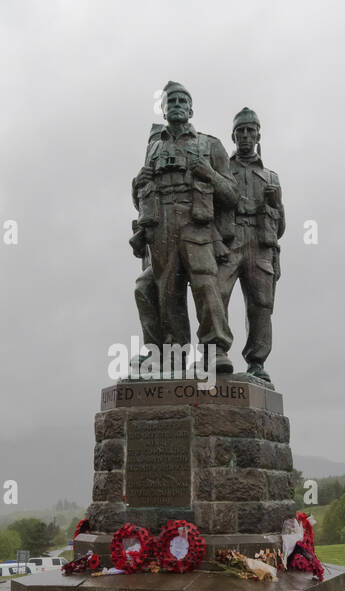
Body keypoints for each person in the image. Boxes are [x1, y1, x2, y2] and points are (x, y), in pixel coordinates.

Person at [133, 81, 239, 374]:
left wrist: (209, 174)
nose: (177, 105)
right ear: (164, 109)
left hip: (196, 225)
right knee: (167, 291)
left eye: (182, 101)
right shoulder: (153, 147)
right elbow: (141, 194)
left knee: (206, 285)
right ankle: (174, 354)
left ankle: (215, 350)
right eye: (172, 101)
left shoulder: (210, 144)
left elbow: (232, 195)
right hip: (161, 226)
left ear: (191, 109)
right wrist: (137, 184)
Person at [218, 107, 285, 385]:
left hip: (260, 243)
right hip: (230, 239)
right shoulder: (223, 168)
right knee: (216, 294)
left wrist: (275, 203)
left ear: (258, 135)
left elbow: (280, 226)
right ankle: (217, 352)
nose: (245, 136)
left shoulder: (271, 176)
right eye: (240, 132)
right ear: (233, 136)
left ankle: (257, 361)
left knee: (261, 305)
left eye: (250, 131)